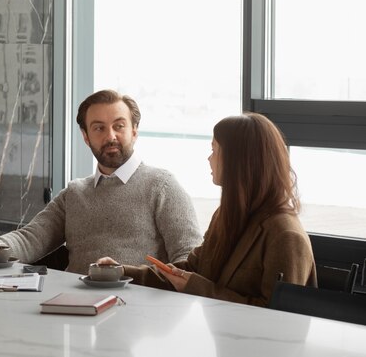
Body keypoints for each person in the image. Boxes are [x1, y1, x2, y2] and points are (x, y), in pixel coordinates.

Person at [0, 89, 202, 274]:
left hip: (140, 314)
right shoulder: (75, 193)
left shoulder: (162, 186)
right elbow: (32, 238)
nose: (111, 136)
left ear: (135, 131)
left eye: (119, 126)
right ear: (86, 137)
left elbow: (189, 259)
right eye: (99, 128)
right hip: (75, 309)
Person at [98, 113, 316, 307]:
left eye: (214, 150)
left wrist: (197, 287)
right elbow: (191, 269)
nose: (209, 159)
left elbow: (279, 320)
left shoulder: (285, 236)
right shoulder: (227, 215)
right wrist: (122, 272)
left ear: (238, 162)